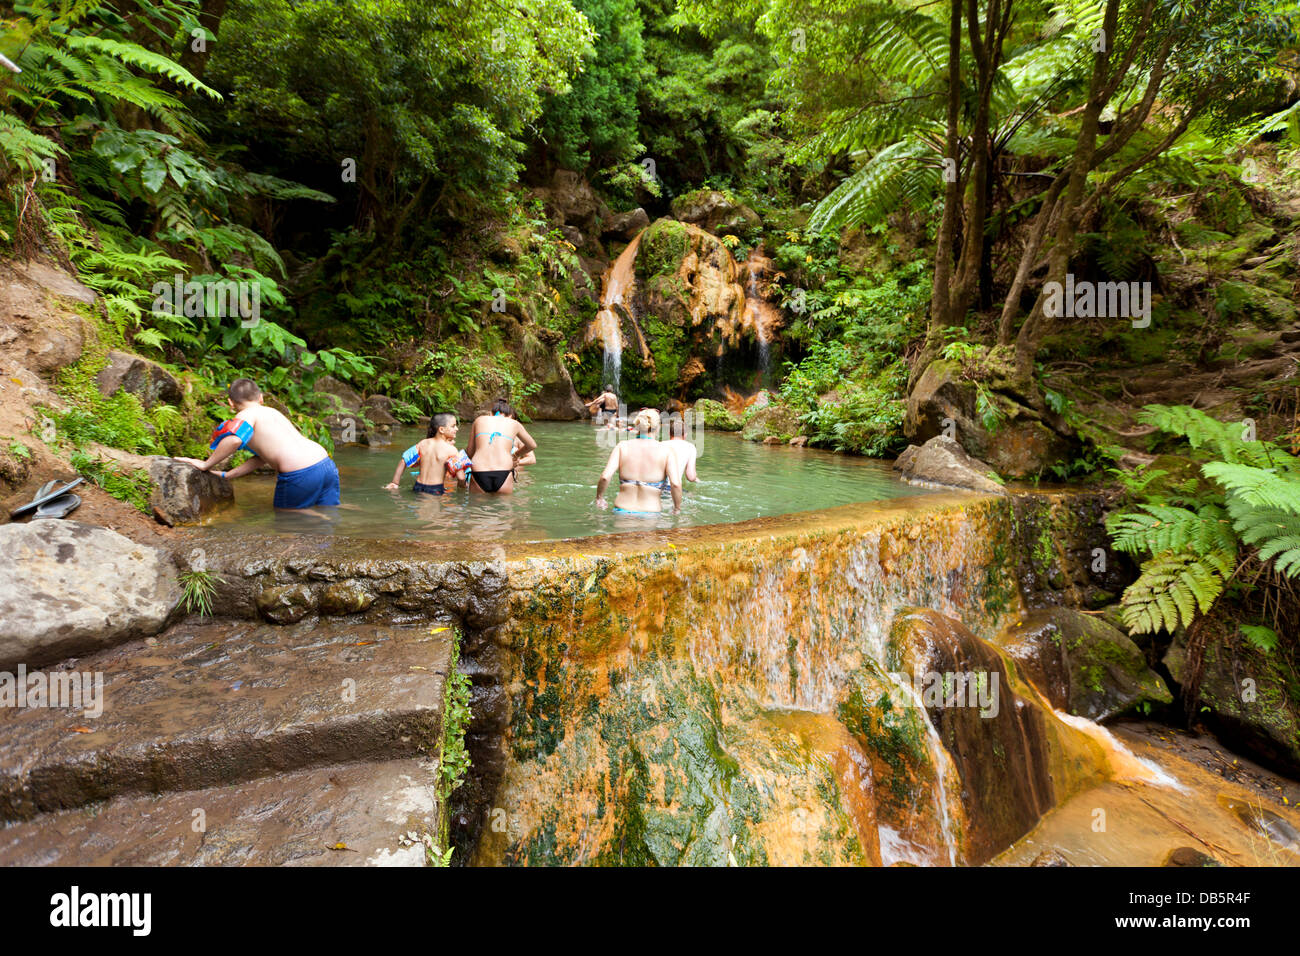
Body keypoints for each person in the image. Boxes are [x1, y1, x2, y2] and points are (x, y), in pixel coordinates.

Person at [175, 378, 340, 509]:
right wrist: (229, 475)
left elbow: (234, 439)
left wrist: (206, 464)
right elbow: (261, 458)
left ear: (231, 403)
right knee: (328, 512)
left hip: (300, 472)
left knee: (289, 521)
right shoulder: (272, 412)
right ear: (261, 398)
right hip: (325, 464)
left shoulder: (246, 415)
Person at [595, 407, 681, 515]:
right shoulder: (667, 451)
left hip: (622, 511)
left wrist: (599, 498)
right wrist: (677, 508)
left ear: (637, 425)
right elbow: (676, 484)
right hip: (651, 513)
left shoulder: (622, 446)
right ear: (658, 427)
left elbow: (605, 477)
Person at [383, 412, 468, 495]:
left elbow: (404, 460)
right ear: (441, 429)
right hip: (435, 489)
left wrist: (395, 483)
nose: (457, 429)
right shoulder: (451, 450)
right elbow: (461, 477)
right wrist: (463, 488)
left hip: (417, 486)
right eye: (453, 426)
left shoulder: (423, 443)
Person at [466, 398, 537, 494]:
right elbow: (532, 445)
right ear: (510, 416)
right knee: (504, 507)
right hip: (504, 471)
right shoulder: (514, 424)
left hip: (479, 470)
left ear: (490, 413)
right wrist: (515, 455)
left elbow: (469, 452)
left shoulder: (479, 420)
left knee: (476, 507)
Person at [663, 416, 699, 490]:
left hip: (655, 487)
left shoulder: (660, 444)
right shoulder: (690, 447)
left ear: (669, 433)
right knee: (690, 496)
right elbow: (691, 477)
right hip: (673, 488)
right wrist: (695, 478)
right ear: (685, 434)